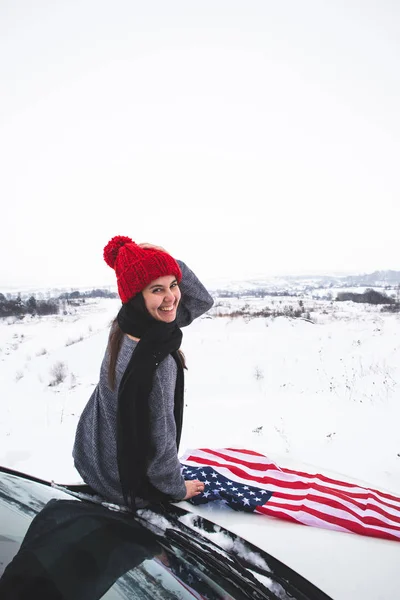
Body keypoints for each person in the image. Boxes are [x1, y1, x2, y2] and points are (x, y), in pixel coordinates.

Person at [73, 236, 213, 510]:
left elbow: (199, 302)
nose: (171, 297)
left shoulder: (128, 324)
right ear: (138, 297)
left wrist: (171, 263)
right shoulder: (155, 360)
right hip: (124, 482)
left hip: (92, 456)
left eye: (173, 284)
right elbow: (160, 445)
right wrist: (176, 489)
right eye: (157, 290)